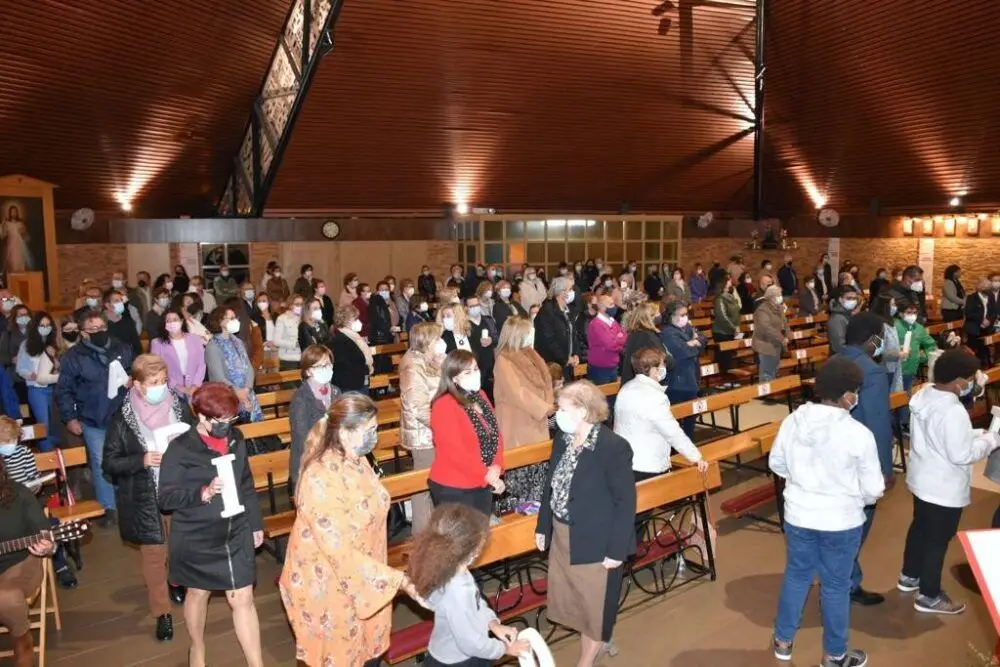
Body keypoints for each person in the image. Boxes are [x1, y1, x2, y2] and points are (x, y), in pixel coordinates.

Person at [279, 393, 427, 667]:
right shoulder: (320, 477)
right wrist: (400, 581)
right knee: (343, 657)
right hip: (329, 583)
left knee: (369, 652)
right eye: (370, 430)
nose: (375, 436)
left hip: (364, 574)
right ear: (345, 433)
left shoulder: (357, 460)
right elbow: (339, 550)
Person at [769, 357, 885, 667]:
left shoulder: (793, 421)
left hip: (799, 516)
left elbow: (776, 463)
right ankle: (834, 655)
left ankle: (783, 641)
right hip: (840, 521)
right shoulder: (858, 433)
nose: (856, 396)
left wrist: (802, 482)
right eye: (856, 391)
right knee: (835, 587)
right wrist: (855, 497)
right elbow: (873, 489)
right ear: (847, 395)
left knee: (797, 576)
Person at [157, 383, 263, 667]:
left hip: (236, 528)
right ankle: (197, 648)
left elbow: (246, 483)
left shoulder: (236, 438)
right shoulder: (180, 448)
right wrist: (201, 493)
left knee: (243, 598)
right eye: (220, 420)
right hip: (197, 534)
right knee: (198, 593)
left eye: (231, 419)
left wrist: (255, 524)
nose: (227, 426)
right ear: (201, 416)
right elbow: (165, 499)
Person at [536, 380, 636, 667]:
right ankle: (598, 645)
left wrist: (617, 550)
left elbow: (625, 502)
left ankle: (586, 661)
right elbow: (551, 485)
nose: (557, 414)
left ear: (582, 411)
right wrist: (543, 526)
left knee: (593, 607)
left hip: (596, 540)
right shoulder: (563, 439)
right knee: (577, 603)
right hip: (564, 536)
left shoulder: (612, 447)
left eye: (562, 408)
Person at [102, 355, 195, 642]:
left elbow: (194, 439)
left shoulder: (178, 406)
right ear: (138, 385)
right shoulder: (122, 418)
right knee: (154, 555)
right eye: (154, 382)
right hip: (145, 495)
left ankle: (176, 580)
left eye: (164, 381)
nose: (161, 387)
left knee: (179, 546)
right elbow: (109, 462)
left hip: (178, 489)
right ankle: (162, 612)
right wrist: (140, 460)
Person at [901, 349, 996, 615]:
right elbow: (962, 454)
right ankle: (929, 595)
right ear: (958, 381)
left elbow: (942, 436)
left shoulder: (925, 394)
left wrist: (976, 434)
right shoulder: (953, 410)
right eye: (970, 378)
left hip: (922, 479)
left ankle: (909, 575)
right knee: (938, 540)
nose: (971, 383)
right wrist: (991, 440)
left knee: (920, 528)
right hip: (943, 487)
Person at [409, 504, 529, 667]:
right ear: (470, 551)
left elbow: (476, 604)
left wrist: (492, 623)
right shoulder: (458, 590)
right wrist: (505, 649)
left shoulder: (450, 568)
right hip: (458, 661)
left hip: (447, 652)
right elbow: (471, 643)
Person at [829, 313, 893, 607]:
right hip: (857, 460)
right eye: (881, 338)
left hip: (831, 456)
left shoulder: (832, 361)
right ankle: (844, 582)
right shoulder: (872, 372)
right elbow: (878, 424)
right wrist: (884, 470)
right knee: (857, 525)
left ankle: (845, 578)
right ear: (871, 339)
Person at [56, 309, 135, 525]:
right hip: (92, 417)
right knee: (101, 462)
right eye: (93, 329)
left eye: (102, 327)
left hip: (123, 414)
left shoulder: (121, 348)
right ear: (83, 332)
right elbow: (64, 390)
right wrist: (70, 418)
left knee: (125, 458)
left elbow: (135, 372)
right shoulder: (73, 357)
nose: (99, 331)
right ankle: (109, 507)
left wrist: (132, 380)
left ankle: (127, 502)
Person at [429, 351, 505, 514]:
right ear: (454, 378)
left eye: (476, 369)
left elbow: (495, 434)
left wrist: (497, 466)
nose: (475, 374)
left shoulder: (480, 396)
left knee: (481, 529)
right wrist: (486, 474)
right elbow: (454, 452)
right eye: (467, 372)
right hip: (455, 486)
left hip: (482, 481)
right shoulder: (444, 405)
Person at [615, 347, 706, 482]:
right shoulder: (654, 397)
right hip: (648, 464)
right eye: (662, 365)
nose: (664, 368)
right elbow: (672, 432)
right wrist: (696, 457)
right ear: (653, 370)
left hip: (625, 461)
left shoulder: (626, 388)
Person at [493, 316, 555, 513]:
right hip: (518, 423)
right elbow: (517, 393)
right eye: (528, 331)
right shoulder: (504, 360)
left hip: (536, 420)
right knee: (521, 479)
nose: (531, 334)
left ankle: (537, 514)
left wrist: (549, 403)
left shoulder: (531, 354)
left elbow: (545, 383)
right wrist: (544, 407)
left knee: (538, 476)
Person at [0, 456, 55, 666]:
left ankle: (23, 645)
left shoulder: (18, 493)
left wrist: (48, 546)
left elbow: (44, 531)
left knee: (6, 597)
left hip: (19, 565)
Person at [399, 323, 446, 530]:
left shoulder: (430, 360)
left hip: (435, 432)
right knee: (424, 487)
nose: (441, 342)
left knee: (435, 484)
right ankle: (421, 536)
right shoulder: (413, 366)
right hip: (425, 436)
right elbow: (418, 408)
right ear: (426, 342)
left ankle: (435, 532)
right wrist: (444, 427)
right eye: (437, 339)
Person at [288, 345, 340, 498]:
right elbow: (302, 439)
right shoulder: (301, 398)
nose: (326, 369)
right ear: (308, 371)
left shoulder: (336, 391)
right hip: (311, 463)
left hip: (335, 460)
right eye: (320, 366)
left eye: (328, 364)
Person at [205, 307, 262, 423]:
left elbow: (249, 368)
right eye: (231, 318)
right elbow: (218, 377)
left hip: (247, 393)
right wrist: (239, 394)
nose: (235, 321)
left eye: (235, 318)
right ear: (220, 321)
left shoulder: (238, 341)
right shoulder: (213, 346)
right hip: (227, 398)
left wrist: (247, 389)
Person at [660, 300, 705, 438]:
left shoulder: (687, 327)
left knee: (691, 416)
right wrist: (693, 344)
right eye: (682, 315)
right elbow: (683, 352)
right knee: (677, 419)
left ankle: (688, 441)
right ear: (672, 316)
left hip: (691, 378)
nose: (685, 317)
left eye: (686, 314)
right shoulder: (668, 333)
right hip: (678, 381)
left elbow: (703, 339)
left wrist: (694, 343)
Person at [16, 311, 60, 451]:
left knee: (56, 424)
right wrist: (30, 375)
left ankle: (58, 454)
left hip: (54, 387)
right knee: (43, 424)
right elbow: (20, 368)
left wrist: (55, 359)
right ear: (35, 327)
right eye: (42, 325)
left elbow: (60, 367)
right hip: (36, 389)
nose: (45, 328)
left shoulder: (54, 343)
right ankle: (47, 456)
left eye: (48, 325)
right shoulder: (26, 345)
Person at [895, 298, 939, 416]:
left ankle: (904, 422)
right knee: (892, 400)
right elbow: (876, 344)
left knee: (906, 398)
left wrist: (923, 357)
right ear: (900, 313)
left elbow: (931, 345)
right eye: (909, 312)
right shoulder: (892, 325)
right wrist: (893, 352)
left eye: (915, 313)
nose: (912, 315)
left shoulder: (918, 328)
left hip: (910, 370)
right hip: (893, 370)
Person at [150, 308, 207, 397]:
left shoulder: (195, 339)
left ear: (182, 321)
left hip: (195, 387)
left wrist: (195, 385)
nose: (172, 323)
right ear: (164, 324)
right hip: (171, 389)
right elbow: (157, 369)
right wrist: (180, 388)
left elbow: (201, 364)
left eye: (175, 320)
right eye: (168, 321)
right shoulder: (157, 343)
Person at [533, 276, 580, 382]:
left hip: (568, 364)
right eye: (570, 289)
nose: (573, 292)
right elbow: (549, 340)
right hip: (553, 365)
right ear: (561, 292)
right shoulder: (547, 311)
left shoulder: (569, 309)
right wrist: (565, 358)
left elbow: (574, 334)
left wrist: (576, 354)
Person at [330, 305, 373, 393]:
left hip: (360, 382)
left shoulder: (354, 337)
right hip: (350, 387)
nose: (358, 322)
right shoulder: (340, 340)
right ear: (345, 321)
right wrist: (366, 368)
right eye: (355, 319)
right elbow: (344, 366)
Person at [586, 291, 627, 384]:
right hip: (600, 368)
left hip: (613, 366)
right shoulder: (596, 324)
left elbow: (624, 336)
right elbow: (610, 345)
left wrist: (617, 339)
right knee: (602, 393)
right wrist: (619, 340)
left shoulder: (612, 321)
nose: (614, 307)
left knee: (612, 392)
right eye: (611, 304)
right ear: (602, 307)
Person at [752, 285, 787, 382]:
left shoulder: (778, 307)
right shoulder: (762, 308)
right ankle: (766, 390)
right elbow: (766, 327)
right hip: (766, 343)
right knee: (767, 372)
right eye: (778, 295)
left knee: (774, 370)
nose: (781, 297)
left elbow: (782, 323)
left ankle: (772, 388)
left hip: (776, 342)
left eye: (780, 295)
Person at [465, 295, 497, 399]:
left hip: (490, 364)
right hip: (475, 365)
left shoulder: (488, 320)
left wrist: (491, 340)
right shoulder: (465, 324)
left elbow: (497, 337)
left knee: (492, 393)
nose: (475, 308)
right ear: (466, 308)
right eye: (472, 306)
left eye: (477, 305)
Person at [870, 294, 903, 393]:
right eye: (892, 304)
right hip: (883, 369)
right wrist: (898, 354)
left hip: (893, 367)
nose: (895, 307)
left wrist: (899, 348)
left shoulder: (890, 322)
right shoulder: (879, 325)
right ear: (885, 306)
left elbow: (890, 343)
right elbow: (876, 352)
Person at [712, 275, 742, 380]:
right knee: (724, 359)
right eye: (728, 282)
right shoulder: (720, 299)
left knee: (730, 358)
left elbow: (737, 312)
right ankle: (724, 379)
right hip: (722, 332)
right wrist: (734, 328)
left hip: (731, 332)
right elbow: (723, 317)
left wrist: (737, 327)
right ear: (723, 284)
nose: (730, 284)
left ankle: (729, 378)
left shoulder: (731, 297)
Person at [0, 304, 31, 403]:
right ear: (15, 317)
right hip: (16, 377)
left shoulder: (35, 332)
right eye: (20, 315)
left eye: (26, 315)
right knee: (21, 405)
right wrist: (11, 359)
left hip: (34, 376)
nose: (24, 317)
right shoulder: (8, 333)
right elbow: (2, 356)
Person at [964, 277, 994, 367]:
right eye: (986, 287)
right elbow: (969, 313)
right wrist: (982, 320)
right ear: (980, 287)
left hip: (986, 328)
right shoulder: (971, 298)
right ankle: (971, 366)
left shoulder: (991, 297)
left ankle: (984, 365)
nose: (988, 289)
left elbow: (993, 311)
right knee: (972, 350)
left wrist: (989, 320)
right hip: (974, 327)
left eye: (989, 287)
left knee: (984, 350)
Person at [105, 290, 142, 358]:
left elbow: (137, 346)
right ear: (107, 305)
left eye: (121, 300)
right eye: (116, 301)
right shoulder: (101, 322)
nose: (120, 303)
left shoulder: (128, 321)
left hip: (129, 359)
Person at [275, 294, 304, 371]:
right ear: (290, 305)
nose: (300, 307)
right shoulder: (282, 319)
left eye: (301, 304)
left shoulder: (304, 318)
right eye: (297, 304)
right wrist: (294, 344)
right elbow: (276, 341)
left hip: (303, 358)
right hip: (288, 360)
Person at [827, 286, 859, 354]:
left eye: (854, 298)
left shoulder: (848, 314)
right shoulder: (836, 319)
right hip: (843, 357)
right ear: (840, 299)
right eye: (849, 298)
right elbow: (839, 346)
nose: (853, 301)